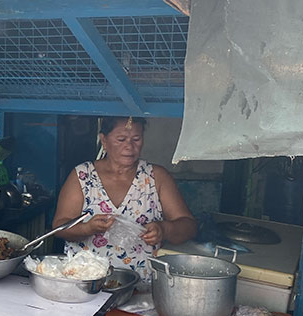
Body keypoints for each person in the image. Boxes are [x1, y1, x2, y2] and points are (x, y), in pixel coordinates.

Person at [52, 116, 197, 281]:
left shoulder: (156, 177)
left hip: (142, 284)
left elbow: (189, 226)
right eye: (121, 139)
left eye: (136, 139)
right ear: (104, 141)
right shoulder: (83, 176)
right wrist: (87, 229)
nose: (129, 146)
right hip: (85, 281)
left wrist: (164, 229)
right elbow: (59, 228)